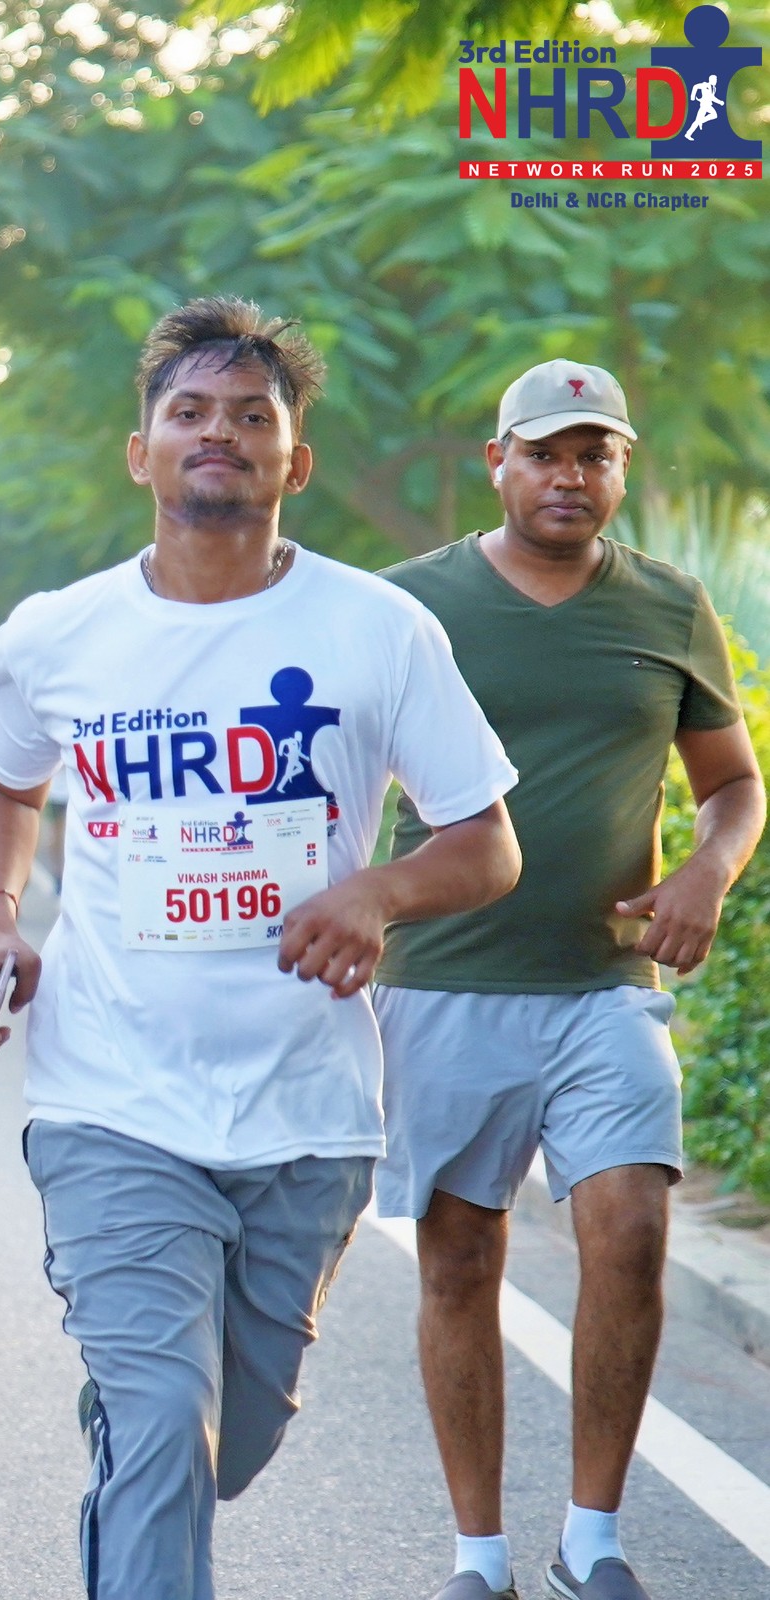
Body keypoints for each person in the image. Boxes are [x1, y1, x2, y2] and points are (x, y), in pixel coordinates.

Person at [0, 297, 524, 1600]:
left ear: (293, 461)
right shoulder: (55, 635)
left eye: (251, 416)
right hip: (109, 1099)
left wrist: (376, 894)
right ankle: (142, 1422)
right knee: (166, 1419)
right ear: (140, 451)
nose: (219, 432)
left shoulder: (377, 629)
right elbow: (2, 784)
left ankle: (143, 1429)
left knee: (226, 1437)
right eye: (189, 411)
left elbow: (486, 844)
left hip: (305, 1114)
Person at [376, 361, 764, 1600]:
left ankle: (591, 1540)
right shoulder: (411, 605)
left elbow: (733, 784)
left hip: (605, 986)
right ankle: (478, 1556)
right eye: (545, 452)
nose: (569, 476)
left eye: (594, 455)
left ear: (620, 470)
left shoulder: (669, 604)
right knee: (458, 1260)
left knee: (632, 1228)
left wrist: (707, 870)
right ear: (498, 462)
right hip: (443, 981)